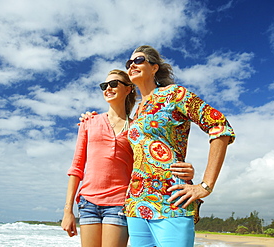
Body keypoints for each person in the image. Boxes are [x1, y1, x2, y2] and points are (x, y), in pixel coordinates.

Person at [61, 69, 195, 247]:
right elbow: (76, 168)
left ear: (128, 89)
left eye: (114, 84)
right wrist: (68, 210)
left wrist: (184, 170)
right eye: (104, 85)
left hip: (119, 203)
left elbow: (151, 161)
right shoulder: (88, 123)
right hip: (88, 204)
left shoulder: (135, 128)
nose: (108, 88)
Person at [123, 45, 236, 247]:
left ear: (154, 67)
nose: (132, 65)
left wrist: (205, 185)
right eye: (128, 63)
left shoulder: (174, 94)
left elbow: (219, 124)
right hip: (136, 202)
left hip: (171, 198)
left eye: (138, 60)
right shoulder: (136, 111)